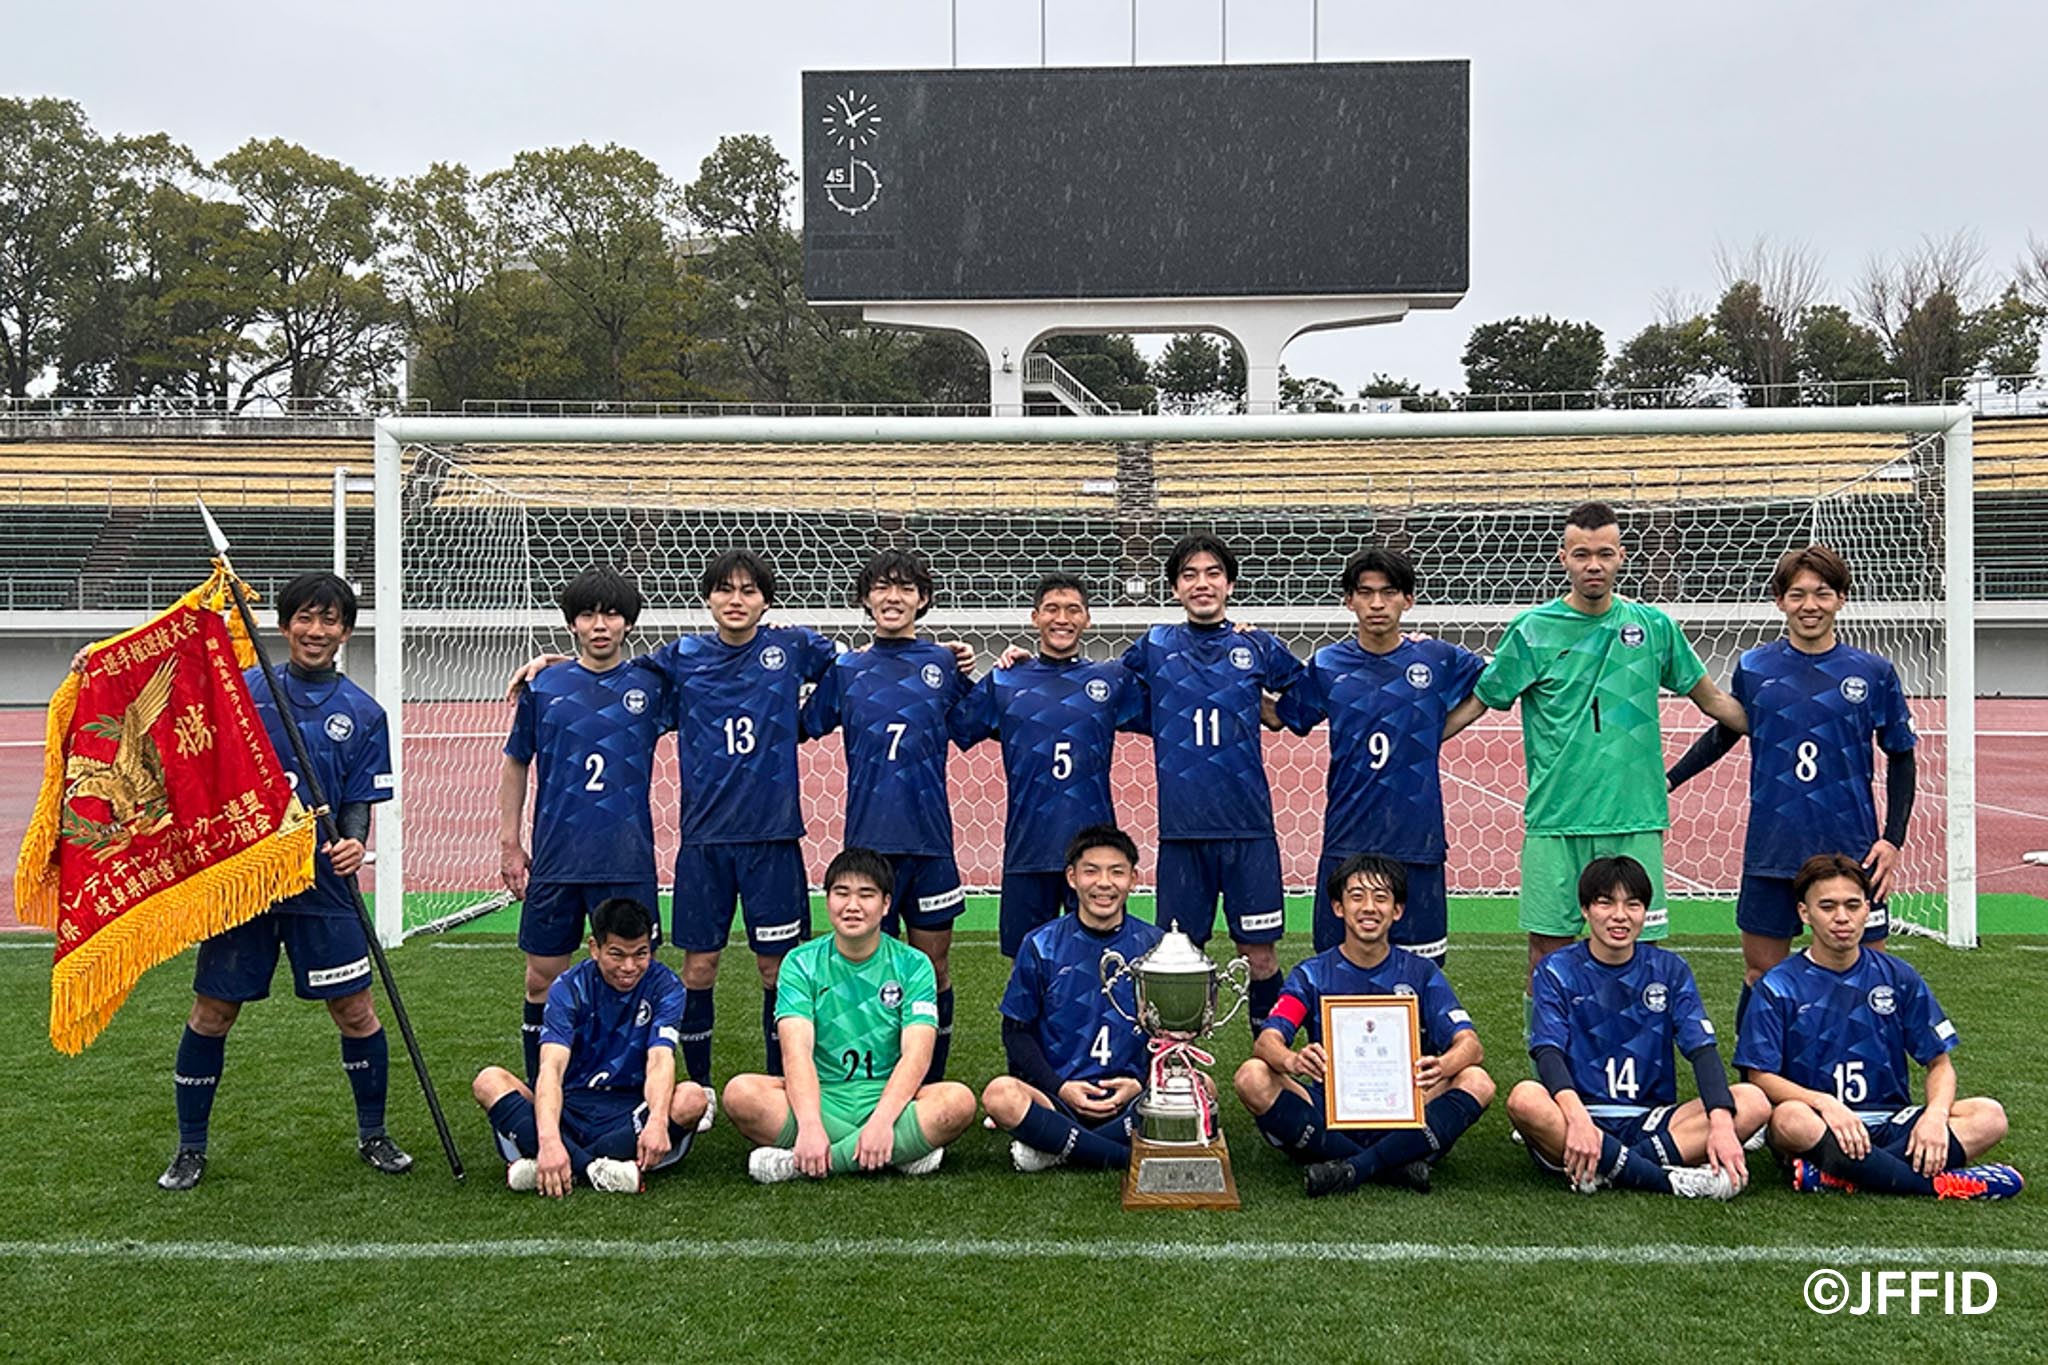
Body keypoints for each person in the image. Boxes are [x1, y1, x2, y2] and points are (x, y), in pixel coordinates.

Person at [505, 549, 971, 1094]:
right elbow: (606, 670)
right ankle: (698, 1091)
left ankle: (787, 1086)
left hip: (773, 842)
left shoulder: (793, 646)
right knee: (698, 970)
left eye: (749, 591)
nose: (736, 600)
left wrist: (948, 659)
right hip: (703, 844)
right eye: (725, 590)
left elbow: (862, 663)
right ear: (707, 599)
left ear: (766, 602)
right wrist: (557, 663)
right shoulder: (679, 658)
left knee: (777, 974)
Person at [1447, 501, 1748, 1037]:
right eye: (1582, 554)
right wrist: (1415, 742)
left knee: (1643, 951)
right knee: (1547, 949)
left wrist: (1782, 727)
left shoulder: (1653, 627)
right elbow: (1478, 701)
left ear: (1620, 557)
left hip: (1633, 818)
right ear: (1563, 557)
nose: (1593, 564)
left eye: (1604, 554)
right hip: (1556, 821)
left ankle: (1635, 1068)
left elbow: (1713, 700)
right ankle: (1551, 1078)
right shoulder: (1533, 629)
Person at [158, 572, 409, 1190]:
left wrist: (354, 842)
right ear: (283, 624)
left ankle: (373, 1134)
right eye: (305, 618)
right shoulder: (243, 693)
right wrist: (101, 669)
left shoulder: (363, 712)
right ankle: (191, 1147)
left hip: (324, 888)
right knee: (213, 1012)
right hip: (247, 884)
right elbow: (173, 713)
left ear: (345, 632)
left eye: (329, 621)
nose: (315, 631)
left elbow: (357, 798)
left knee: (354, 1011)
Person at [1666, 545, 1918, 1027]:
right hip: (1773, 848)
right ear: (1779, 600)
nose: (1810, 605)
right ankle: (1760, 1083)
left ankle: (1861, 1080)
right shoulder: (1756, 667)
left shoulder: (1873, 672)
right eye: (1797, 594)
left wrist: (1894, 839)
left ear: (1841, 598)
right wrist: (1670, 780)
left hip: (1852, 851)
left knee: (1866, 974)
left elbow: (1901, 754)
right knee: (1764, 973)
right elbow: (1727, 732)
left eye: (1822, 593)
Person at [1735, 853, 2021, 1199]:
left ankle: (1841, 1174)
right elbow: (1759, 1077)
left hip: (1893, 1122)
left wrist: (1934, 1116)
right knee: (1789, 1119)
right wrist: (1825, 1103)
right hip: (1820, 1123)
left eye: (1852, 905)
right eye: (1827, 907)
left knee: (1990, 1116)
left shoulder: (1898, 976)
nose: (1842, 917)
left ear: (1867, 909)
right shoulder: (1778, 985)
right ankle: (1931, 1184)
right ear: (1804, 914)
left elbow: (1939, 1063)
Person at [1119, 533, 1305, 1035]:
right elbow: (1101, 689)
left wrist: (1269, 710)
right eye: (1189, 575)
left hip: (1249, 831)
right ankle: (1179, 1077)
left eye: (1213, 573)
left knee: (1260, 954)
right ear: (1175, 589)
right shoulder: (1156, 644)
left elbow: (1307, 696)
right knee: (1177, 959)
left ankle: (1274, 1061)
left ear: (1230, 583)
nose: (1202, 584)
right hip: (1183, 834)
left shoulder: (1256, 644)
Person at [801, 550, 973, 1081]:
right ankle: (871, 1082)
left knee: (933, 970)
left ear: (922, 599)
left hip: (930, 845)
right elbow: (800, 723)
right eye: (881, 587)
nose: (892, 597)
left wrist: (1002, 664)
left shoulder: (943, 664)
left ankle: (930, 1087)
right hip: (868, 849)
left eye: (904, 588)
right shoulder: (847, 669)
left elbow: (980, 720)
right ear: (865, 599)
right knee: (869, 974)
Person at [1504, 856, 1769, 1199]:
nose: (1620, 915)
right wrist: (1579, 1119)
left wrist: (1720, 1124)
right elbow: (1547, 1051)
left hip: (1650, 1122)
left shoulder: (1669, 969)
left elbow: (1702, 1050)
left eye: (1633, 904)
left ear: (1645, 912)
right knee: (1525, 1099)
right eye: (1605, 903)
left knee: (1753, 1102)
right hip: (1578, 1117)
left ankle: (1605, 1169)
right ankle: (1667, 1180)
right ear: (1585, 910)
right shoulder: (1557, 969)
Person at [1233, 853, 1495, 1198]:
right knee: (1252, 1076)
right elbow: (1267, 1041)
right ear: (1338, 907)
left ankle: (1353, 1167)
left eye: (1381, 897)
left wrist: (1444, 1065)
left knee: (1477, 1080)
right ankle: (1394, 1162)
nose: (1369, 907)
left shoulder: (1421, 973)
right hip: (1330, 1109)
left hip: (1405, 1107)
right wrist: (1293, 1061)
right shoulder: (1311, 974)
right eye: (1357, 896)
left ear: (1397, 910)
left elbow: (1470, 1045)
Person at [498, 566, 672, 1086]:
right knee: (541, 980)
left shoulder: (651, 685)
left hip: (625, 860)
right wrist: (511, 841)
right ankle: (542, 1091)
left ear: (628, 623)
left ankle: (624, 1091)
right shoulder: (545, 685)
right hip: (556, 859)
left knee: (628, 977)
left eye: (611, 614)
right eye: (588, 615)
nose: (601, 625)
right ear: (572, 623)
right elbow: (516, 761)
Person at [1270, 547, 1485, 965]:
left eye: (1388, 593)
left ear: (1408, 599)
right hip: (1348, 839)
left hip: (1415, 840)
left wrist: (1432, 735)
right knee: (1335, 966)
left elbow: (1493, 687)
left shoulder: (1438, 658)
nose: (1376, 604)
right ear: (1349, 601)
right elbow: (1284, 715)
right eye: (1365, 593)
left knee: (1422, 970)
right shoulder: (1328, 664)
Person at [722, 847, 979, 1182]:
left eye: (866, 895)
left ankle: (800, 1165)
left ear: (886, 904)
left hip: (888, 1098)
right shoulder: (800, 963)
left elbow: (917, 1056)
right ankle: (898, 1152)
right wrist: (811, 1124)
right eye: (841, 893)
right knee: (740, 1094)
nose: (853, 906)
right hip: (822, 1097)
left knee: (958, 1101)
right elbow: (795, 1052)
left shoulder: (914, 965)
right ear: (827, 899)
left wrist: (882, 1121)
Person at [951, 574, 1146, 957]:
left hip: (1095, 853)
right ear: (1034, 617)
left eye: (1073, 610)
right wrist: (948, 664)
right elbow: (959, 724)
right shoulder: (1006, 680)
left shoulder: (1111, 680)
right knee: (1027, 964)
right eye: (1052, 609)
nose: (1062, 618)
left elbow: (1175, 706)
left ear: (1087, 619)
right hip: (1028, 849)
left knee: (1099, 961)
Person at [471, 897, 706, 1196]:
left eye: (641, 954)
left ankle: (554, 1166)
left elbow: (660, 1059)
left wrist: (658, 1121)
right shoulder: (569, 987)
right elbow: (551, 1068)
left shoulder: (666, 986)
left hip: (630, 1113)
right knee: (489, 1080)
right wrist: (550, 1140)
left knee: (692, 1099)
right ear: (595, 948)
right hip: (568, 1110)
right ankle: (596, 1169)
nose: (629, 967)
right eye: (617, 954)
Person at [982, 824, 1163, 1172]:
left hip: (1131, 1096)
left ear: (1134, 879)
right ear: (1072, 877)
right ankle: (1120, 1154)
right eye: (1091, 871)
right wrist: (1060, 1087)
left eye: (1117, 872)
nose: (1104, 884)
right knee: (999, 1095)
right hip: (1059, 1097)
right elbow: (1016, 1032)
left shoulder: (1155, 947)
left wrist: (1139, 1083)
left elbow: (1169, 1037)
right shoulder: (1041, 944)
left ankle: (1057, 1145)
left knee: (1204, 1088)